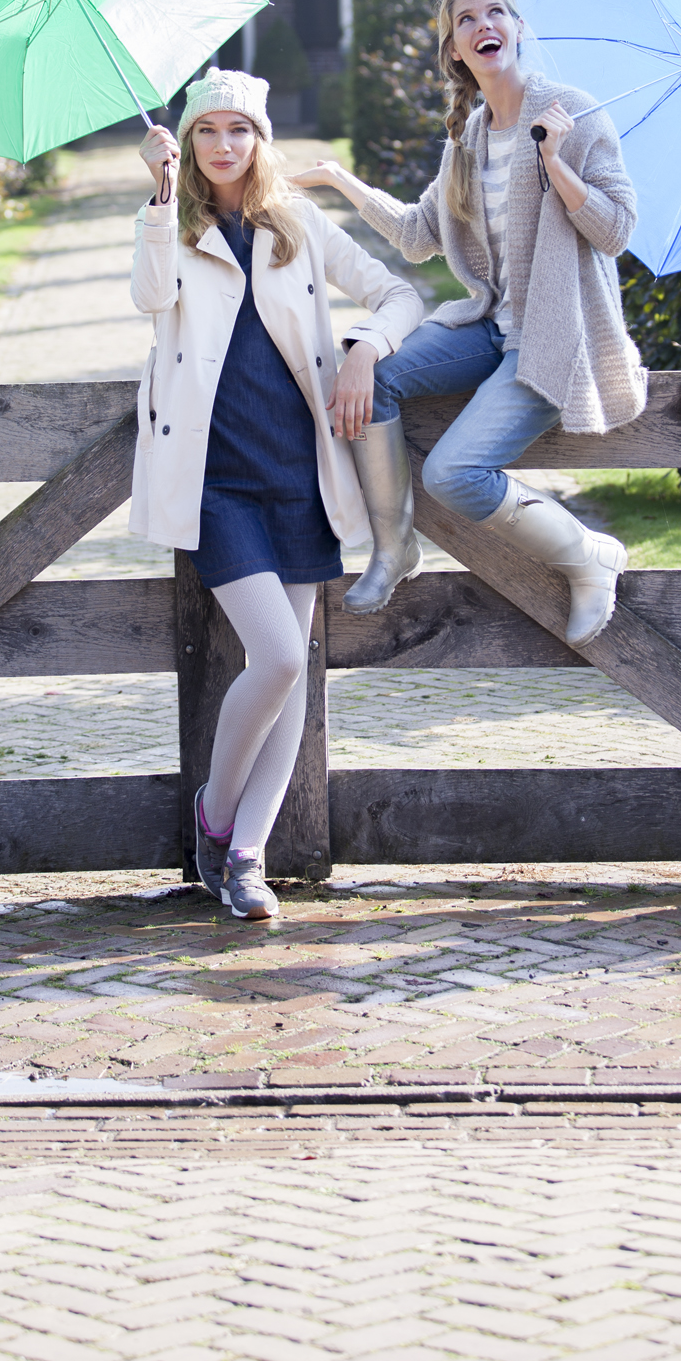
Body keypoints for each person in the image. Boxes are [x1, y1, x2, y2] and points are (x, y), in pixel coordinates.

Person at [131, 69, 423, 921]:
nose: (224, 145)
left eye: (240, 130)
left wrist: (365, 349)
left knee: (292, 673)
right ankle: (215, 816)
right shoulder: (174, 225)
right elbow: (149, 297)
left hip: (300, 475)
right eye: (207, 130)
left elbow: (399, 292)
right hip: (215, 482)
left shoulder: (297, 221)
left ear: (261, 141)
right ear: (188, 142)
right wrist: (160, 195)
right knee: (283, 658)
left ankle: (245, 859)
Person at [291, 0, 647, 648]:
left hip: (550, 340)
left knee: (453, 474)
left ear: (518, 28)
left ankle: (586, 554)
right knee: (373, 376)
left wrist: (557, 161)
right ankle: (395, 547)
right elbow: (416, 235)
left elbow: (616, 231)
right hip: (488, 328)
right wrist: (338, 180)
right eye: (467, 20)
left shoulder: (573, 115)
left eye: (496, 12)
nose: (485, 25)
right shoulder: (470, 137)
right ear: (454, 49)